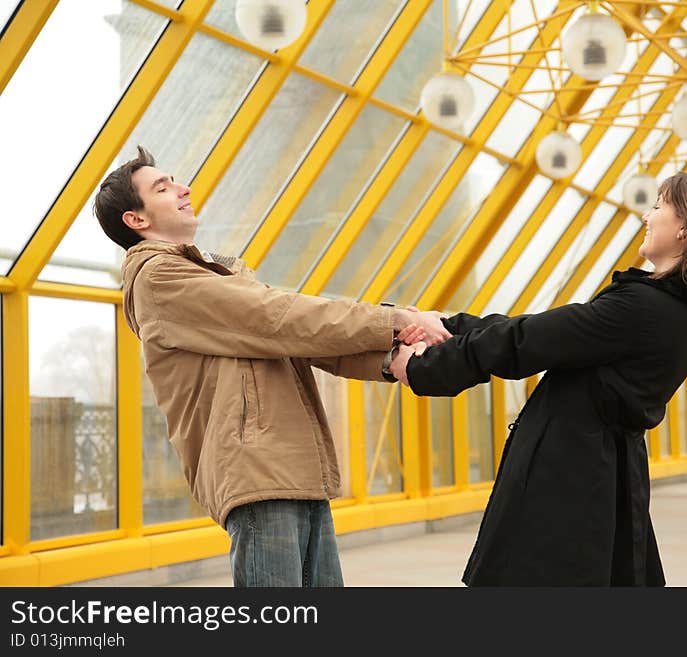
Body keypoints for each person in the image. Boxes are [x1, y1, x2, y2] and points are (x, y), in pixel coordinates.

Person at [93, 145, 450, 587]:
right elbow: (279, 316)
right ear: (137, 219)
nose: (184, 189)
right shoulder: (160, 279)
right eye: (163, 187)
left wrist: (392, 356)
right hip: (258, 470)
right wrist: (393, 321)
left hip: (290, 466)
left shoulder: (205, 274)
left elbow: (298, 340)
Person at [390, 169, 687, 586]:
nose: (647, 215)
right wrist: (450, 325)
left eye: (658, 205)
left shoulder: (641, 307)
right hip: (602, 479)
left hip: (568, 484)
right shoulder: (682, 312)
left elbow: (524, 343)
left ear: (685, 226)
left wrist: (418, 367)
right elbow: (546, 335)